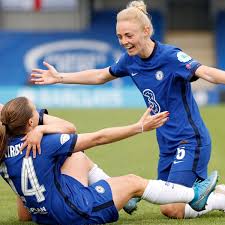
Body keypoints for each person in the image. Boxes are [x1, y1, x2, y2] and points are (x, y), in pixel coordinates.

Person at [30, 0, 225, 219]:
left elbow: (206, 72)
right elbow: (101, 75)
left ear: (146, 31)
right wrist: (60, 77)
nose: (124, 42)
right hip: (167, 141)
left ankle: (220, 201)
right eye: (120, 37)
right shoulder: (129, 60)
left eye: (128, 36)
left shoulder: (170, 57)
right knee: (170, 198)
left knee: (172, 208)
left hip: (190, 140)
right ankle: (216, 192)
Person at [0, 97, 218, 225]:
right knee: (133, 182)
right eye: (36, 113)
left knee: (75, 155)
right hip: (73, 213)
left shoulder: (2, 148)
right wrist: (138, 127)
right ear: (31, 122)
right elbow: (98, 137)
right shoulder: (45, 143)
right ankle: (195, 196)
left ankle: (126, 200)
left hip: (42, 214)